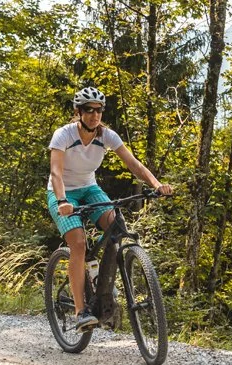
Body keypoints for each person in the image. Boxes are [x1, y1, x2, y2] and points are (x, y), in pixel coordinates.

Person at [48, 87, 173, 331]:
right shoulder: (63, 135)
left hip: (89, 188)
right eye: (88, 110)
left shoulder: (107, 136)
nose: (94, 115)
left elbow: (134, 164)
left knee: (117, 227)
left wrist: (157, 185)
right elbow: (56, 172)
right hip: (61, 191)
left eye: (99, 110)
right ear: (78, 112)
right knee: (79, 243)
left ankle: (103, 288)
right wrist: (62, 200)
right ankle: (80, 311)